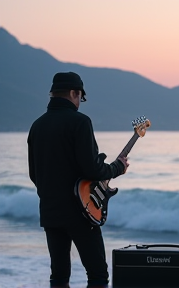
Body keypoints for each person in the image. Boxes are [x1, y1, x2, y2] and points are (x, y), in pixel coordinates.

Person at [27, 72, 129, 288]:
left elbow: (34, 174)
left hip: (50, 211)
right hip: (81, 213)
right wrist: (117, 167)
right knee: (97, 274)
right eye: (80, 97)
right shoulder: (80, 122)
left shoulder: (37, 125)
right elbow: (92, 168)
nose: (79, 103)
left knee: (59, 274)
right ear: (74, 93)